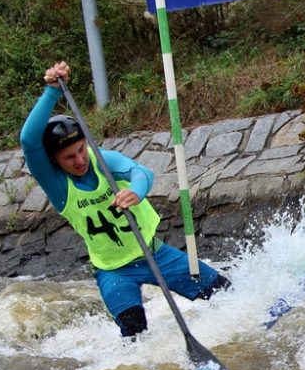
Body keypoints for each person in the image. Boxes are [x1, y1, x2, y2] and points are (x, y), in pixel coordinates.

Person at [19, 61, 230, 338]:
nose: (80, 160)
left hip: (154, 252)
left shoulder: (103, 161)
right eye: (69, 157)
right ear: (54, 162)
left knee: (223, 294)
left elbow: (140, 172)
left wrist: (136, 191)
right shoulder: (56, 185)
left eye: (81, 150)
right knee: (134, 332)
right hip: (113, 271)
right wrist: (52, 92)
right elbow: (28, 141)